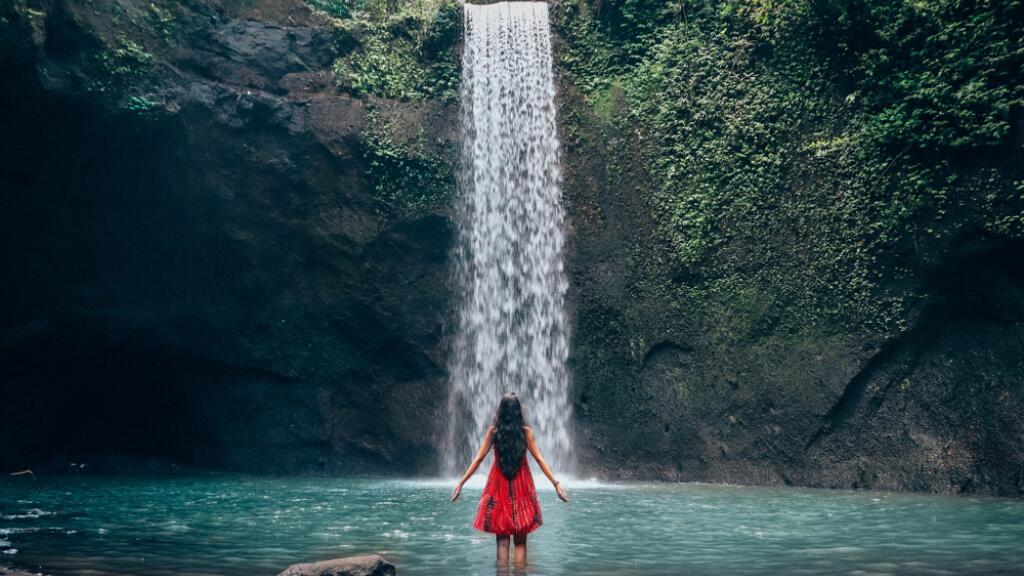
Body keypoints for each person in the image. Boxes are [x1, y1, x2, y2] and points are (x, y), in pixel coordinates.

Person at [450, 392, 569, 564]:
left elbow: (478, 458)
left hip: (498, 487)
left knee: (502, 543)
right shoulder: (526, 432)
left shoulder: (493, 432)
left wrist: (461, 483)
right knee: (520, 543)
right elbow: (539, 459)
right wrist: (555, 484)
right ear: (518, 411)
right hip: (522, 486)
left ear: (501, 410)